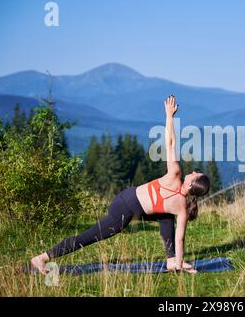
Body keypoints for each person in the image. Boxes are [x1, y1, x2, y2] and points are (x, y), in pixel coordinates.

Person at [31, 95, 210, 274]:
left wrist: (169, 115)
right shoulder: (182, 207)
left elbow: (170, 143)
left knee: (166, 217)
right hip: (125, 208)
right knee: (90, 236)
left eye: (195, 174)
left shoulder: (175, 175)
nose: (193, 171)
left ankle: (172, 261)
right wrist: (169, 116)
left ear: (191, 184)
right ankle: (43, 258)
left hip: (128, 201)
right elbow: (180, 239)